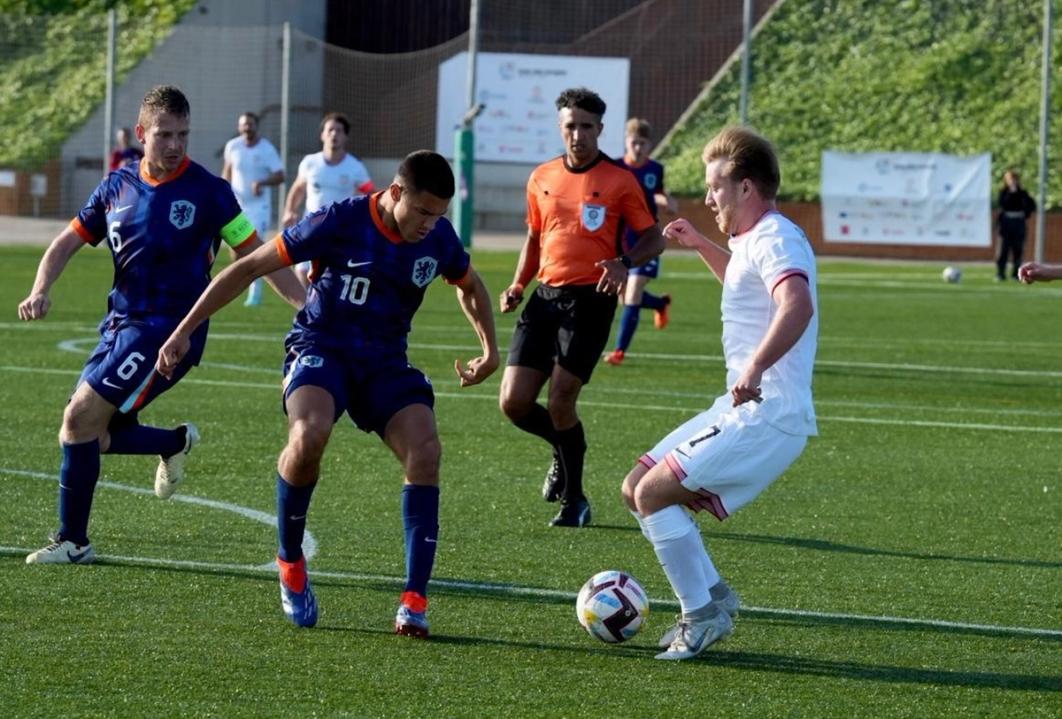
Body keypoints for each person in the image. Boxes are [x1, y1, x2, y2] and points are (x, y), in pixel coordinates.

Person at [156, 150, 498, 638]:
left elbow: (470, 285)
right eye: (422, 212)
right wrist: (184, 329)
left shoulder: (436, 237)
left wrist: (489, 350)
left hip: (384, 362)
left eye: (438, 215)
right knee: (309, 434)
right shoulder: (339, 222)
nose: (429, 224)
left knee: (426, 450)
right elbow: (249, 266)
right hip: (321, 348)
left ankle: (414, 601)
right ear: (396, 193)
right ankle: (291, 562)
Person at [18, 85, 304, 565]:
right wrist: (40, 287)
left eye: (183, 135)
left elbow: (256, 255)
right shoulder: (115, 187)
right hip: (120, 327)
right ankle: (174, 442)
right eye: (165, 134)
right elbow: (66, 242)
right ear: (141, 134)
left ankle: (74, 541)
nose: (175, 145)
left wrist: (305, 303)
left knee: (79, 420)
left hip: (170, 333)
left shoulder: (210, 193)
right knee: (94, 434)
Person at [620, 126, 817, 661]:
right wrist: (702, 244)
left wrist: (755, 366)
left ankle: (701, 615)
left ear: (746, 187)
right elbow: (744, 282)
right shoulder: (753, 241)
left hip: (767, 413)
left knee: (654, 495)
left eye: (716, 187)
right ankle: (716, 598)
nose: (708, 198)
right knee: (636, 485)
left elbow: (795, 304)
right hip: (740, 406)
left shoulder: (776, 237)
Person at [498, 87, 664, 528]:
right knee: (513, 403)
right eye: (571, 126)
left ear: (600, 130)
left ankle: (576, 500)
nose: (578, 134)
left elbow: (654, 236)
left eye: (587, 127)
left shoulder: (619, 180)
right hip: (544, 297)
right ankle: (562, 448)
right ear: (561, 127)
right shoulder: (541, 177)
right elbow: (534, 238)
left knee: (560, 400)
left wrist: (625, 262)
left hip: (592, 299)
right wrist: (517, 283)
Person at [604, 118, 679, 366]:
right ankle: (659, 303)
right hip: (621, 239)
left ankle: (619, 352)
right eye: (634, 142)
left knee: (633, 292)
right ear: (626, 142)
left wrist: (667, 202)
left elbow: (657, 192)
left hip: (647, 239)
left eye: (643, 144)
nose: (638, 148)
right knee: (624, 296)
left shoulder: (655, 169)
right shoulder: (613, 167)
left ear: (649, 146)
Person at [282, 112, 375, 287]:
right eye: (330, 130)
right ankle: (307, 308)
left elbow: (370, 193)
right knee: (301, 270)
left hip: (341, 228)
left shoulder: (355, 167)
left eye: (339, 131)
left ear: (345, 137)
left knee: (333, 273)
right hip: (310, 225)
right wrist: (289, 210)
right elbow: (298, 188)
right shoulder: (310, 162)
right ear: (322, 135)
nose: (334, 134)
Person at [223, 111, 285, 306]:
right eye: (243, 125)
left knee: (254, 250)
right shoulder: (233, 146)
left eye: (250, 124)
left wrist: (263, 182)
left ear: (256, 126)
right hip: (238, 206)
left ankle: (255, 295)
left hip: (259, 207)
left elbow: (280, 175)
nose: (246, 128)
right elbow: (228, 170)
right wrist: (224, 189)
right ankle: (235, 287)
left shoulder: (266, 149)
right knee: (236, 251)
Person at [995, 169, 1036, 281]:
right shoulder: (1003, 192)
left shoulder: (1023, 193)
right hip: (1006, 223)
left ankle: (1015, 274)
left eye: (1014, 179)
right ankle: (1000, 273)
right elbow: (1003, 204)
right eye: (1010, 179)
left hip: (1018, 223)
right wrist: (1011, 192)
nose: (1013, 182)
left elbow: (1031, 206)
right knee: (1003, 249)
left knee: (1018, 249)